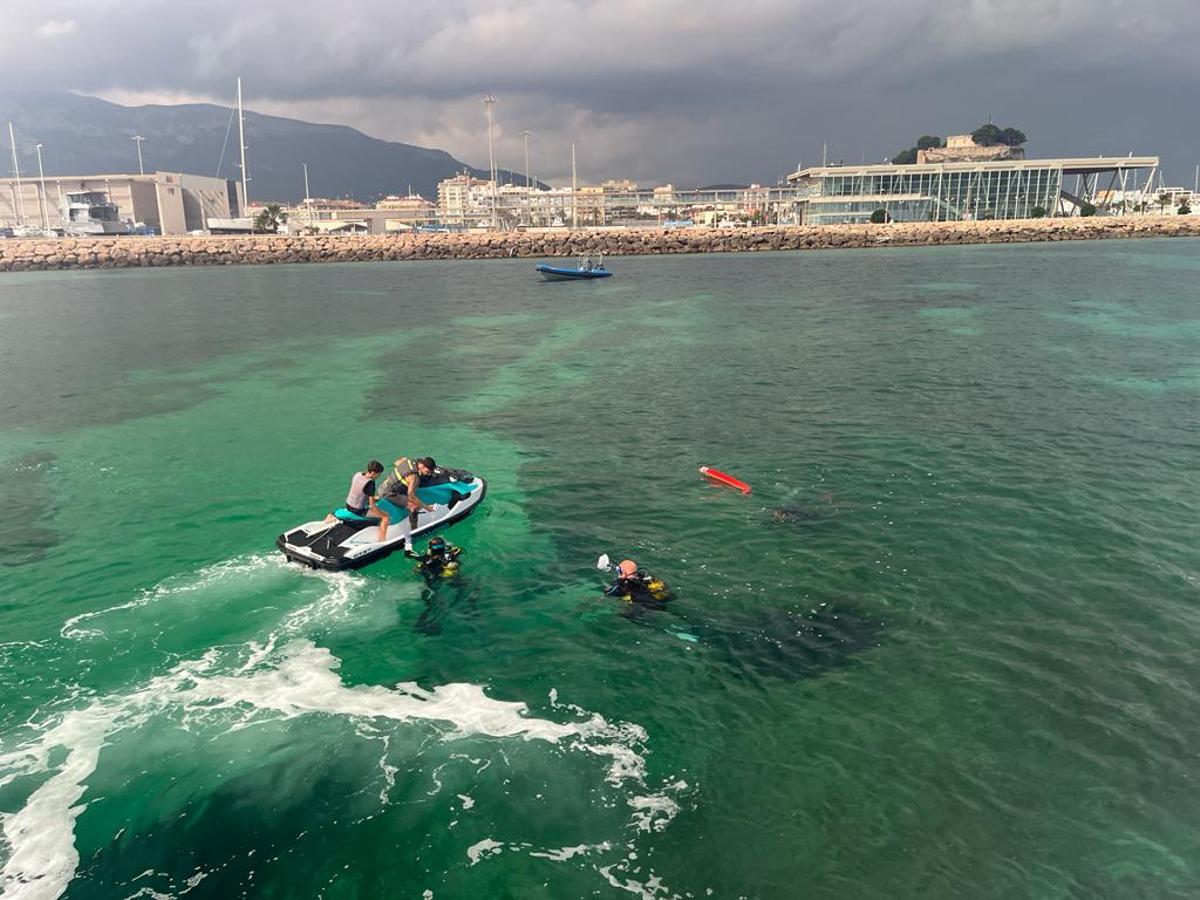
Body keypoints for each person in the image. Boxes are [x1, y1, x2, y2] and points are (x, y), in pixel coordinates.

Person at [325, 460, 390, 542]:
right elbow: (372, 505)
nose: (379, 476)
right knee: (385, 517)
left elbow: (360, 492)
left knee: (376, 501)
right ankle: (382, 541)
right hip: (358, 510)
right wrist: (381, 514)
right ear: (373, 473)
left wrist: (374, 498)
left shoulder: (358, 475)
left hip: (348, 505)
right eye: (379, 474)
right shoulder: (370, 484)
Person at [377, 456, 437, 530]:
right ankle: (414, 529)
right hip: (389, 493)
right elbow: (411, 496)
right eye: (428, 471)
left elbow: (397, 462)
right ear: (422, 466)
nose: (428, 474)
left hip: (382, 487)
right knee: (414, 507)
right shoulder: (414, 478)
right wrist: (428, 508)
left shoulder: (408, 461)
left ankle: (377, 497)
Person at [604, 559, 671, 605]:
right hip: (658, 600)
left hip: (643, 604)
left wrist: (620, 579)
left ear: (623, 573)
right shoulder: (644, 577)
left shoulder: (623, 584)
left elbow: (608, 593)